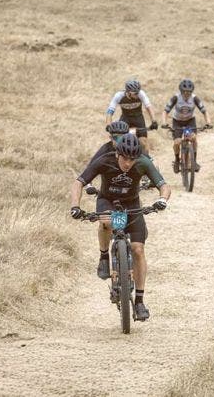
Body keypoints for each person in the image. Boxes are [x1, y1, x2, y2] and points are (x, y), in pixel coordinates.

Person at [70, 133, 170, 322]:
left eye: (132, 159)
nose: (128, 163)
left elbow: (164, 185)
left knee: (138, 249)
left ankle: (139, 301)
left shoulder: (142, 162)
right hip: (108, 201)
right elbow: (79, 182)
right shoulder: (104, 161)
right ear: (117, 153)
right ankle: (104, 257)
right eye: (125, 158)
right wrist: (75, 205)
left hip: (132, 205)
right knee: (107, 221)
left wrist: (162, 200)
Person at [162, 79, 212, 173]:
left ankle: (194, 161)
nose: (187, 94)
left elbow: (204, 111)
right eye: (185, 92)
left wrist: (208, 122)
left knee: (193, 138)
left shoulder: (194, 98)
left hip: (190, 121)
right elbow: (165, 111)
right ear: (181, 91)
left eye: (189, 92)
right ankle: (177, 160)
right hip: (177, 121)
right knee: (177, 142)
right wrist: (164, 122)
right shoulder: (176, 98)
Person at [105, 80, 158, 155]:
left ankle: (147, 160)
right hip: (125, 119)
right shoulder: (119, 96)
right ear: (128, 92)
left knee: (143, 142)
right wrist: (108, 125)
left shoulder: (141, 94)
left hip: (138, 119)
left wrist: (154, 120)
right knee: (118, 142)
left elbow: (149, 107)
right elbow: (109, 112)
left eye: (138, 92)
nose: (137, 94)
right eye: (135, 93)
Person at [84, 121, 131, 196]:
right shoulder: (105, 149)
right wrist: (89, 185)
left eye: (123, 137)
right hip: (109, 186)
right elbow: (90, 167)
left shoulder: (134, 147)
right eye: (116, 138)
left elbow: (146, 163)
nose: (120, 141)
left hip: (130, 186)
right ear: (111, 138)